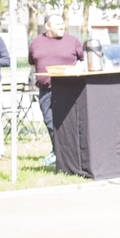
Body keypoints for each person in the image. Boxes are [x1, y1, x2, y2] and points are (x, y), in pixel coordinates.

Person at [27, 13, 85, 168]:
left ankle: (68, 155)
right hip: (46, 91)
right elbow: (33, 62)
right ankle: (57, 152)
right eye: (57, 24)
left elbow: (83, 61)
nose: (62, 26)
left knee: (67, 123)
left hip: (68, 89)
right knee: (50, 122)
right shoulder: (36, 43)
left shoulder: (73, 42)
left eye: (62, 23)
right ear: (47, 26)